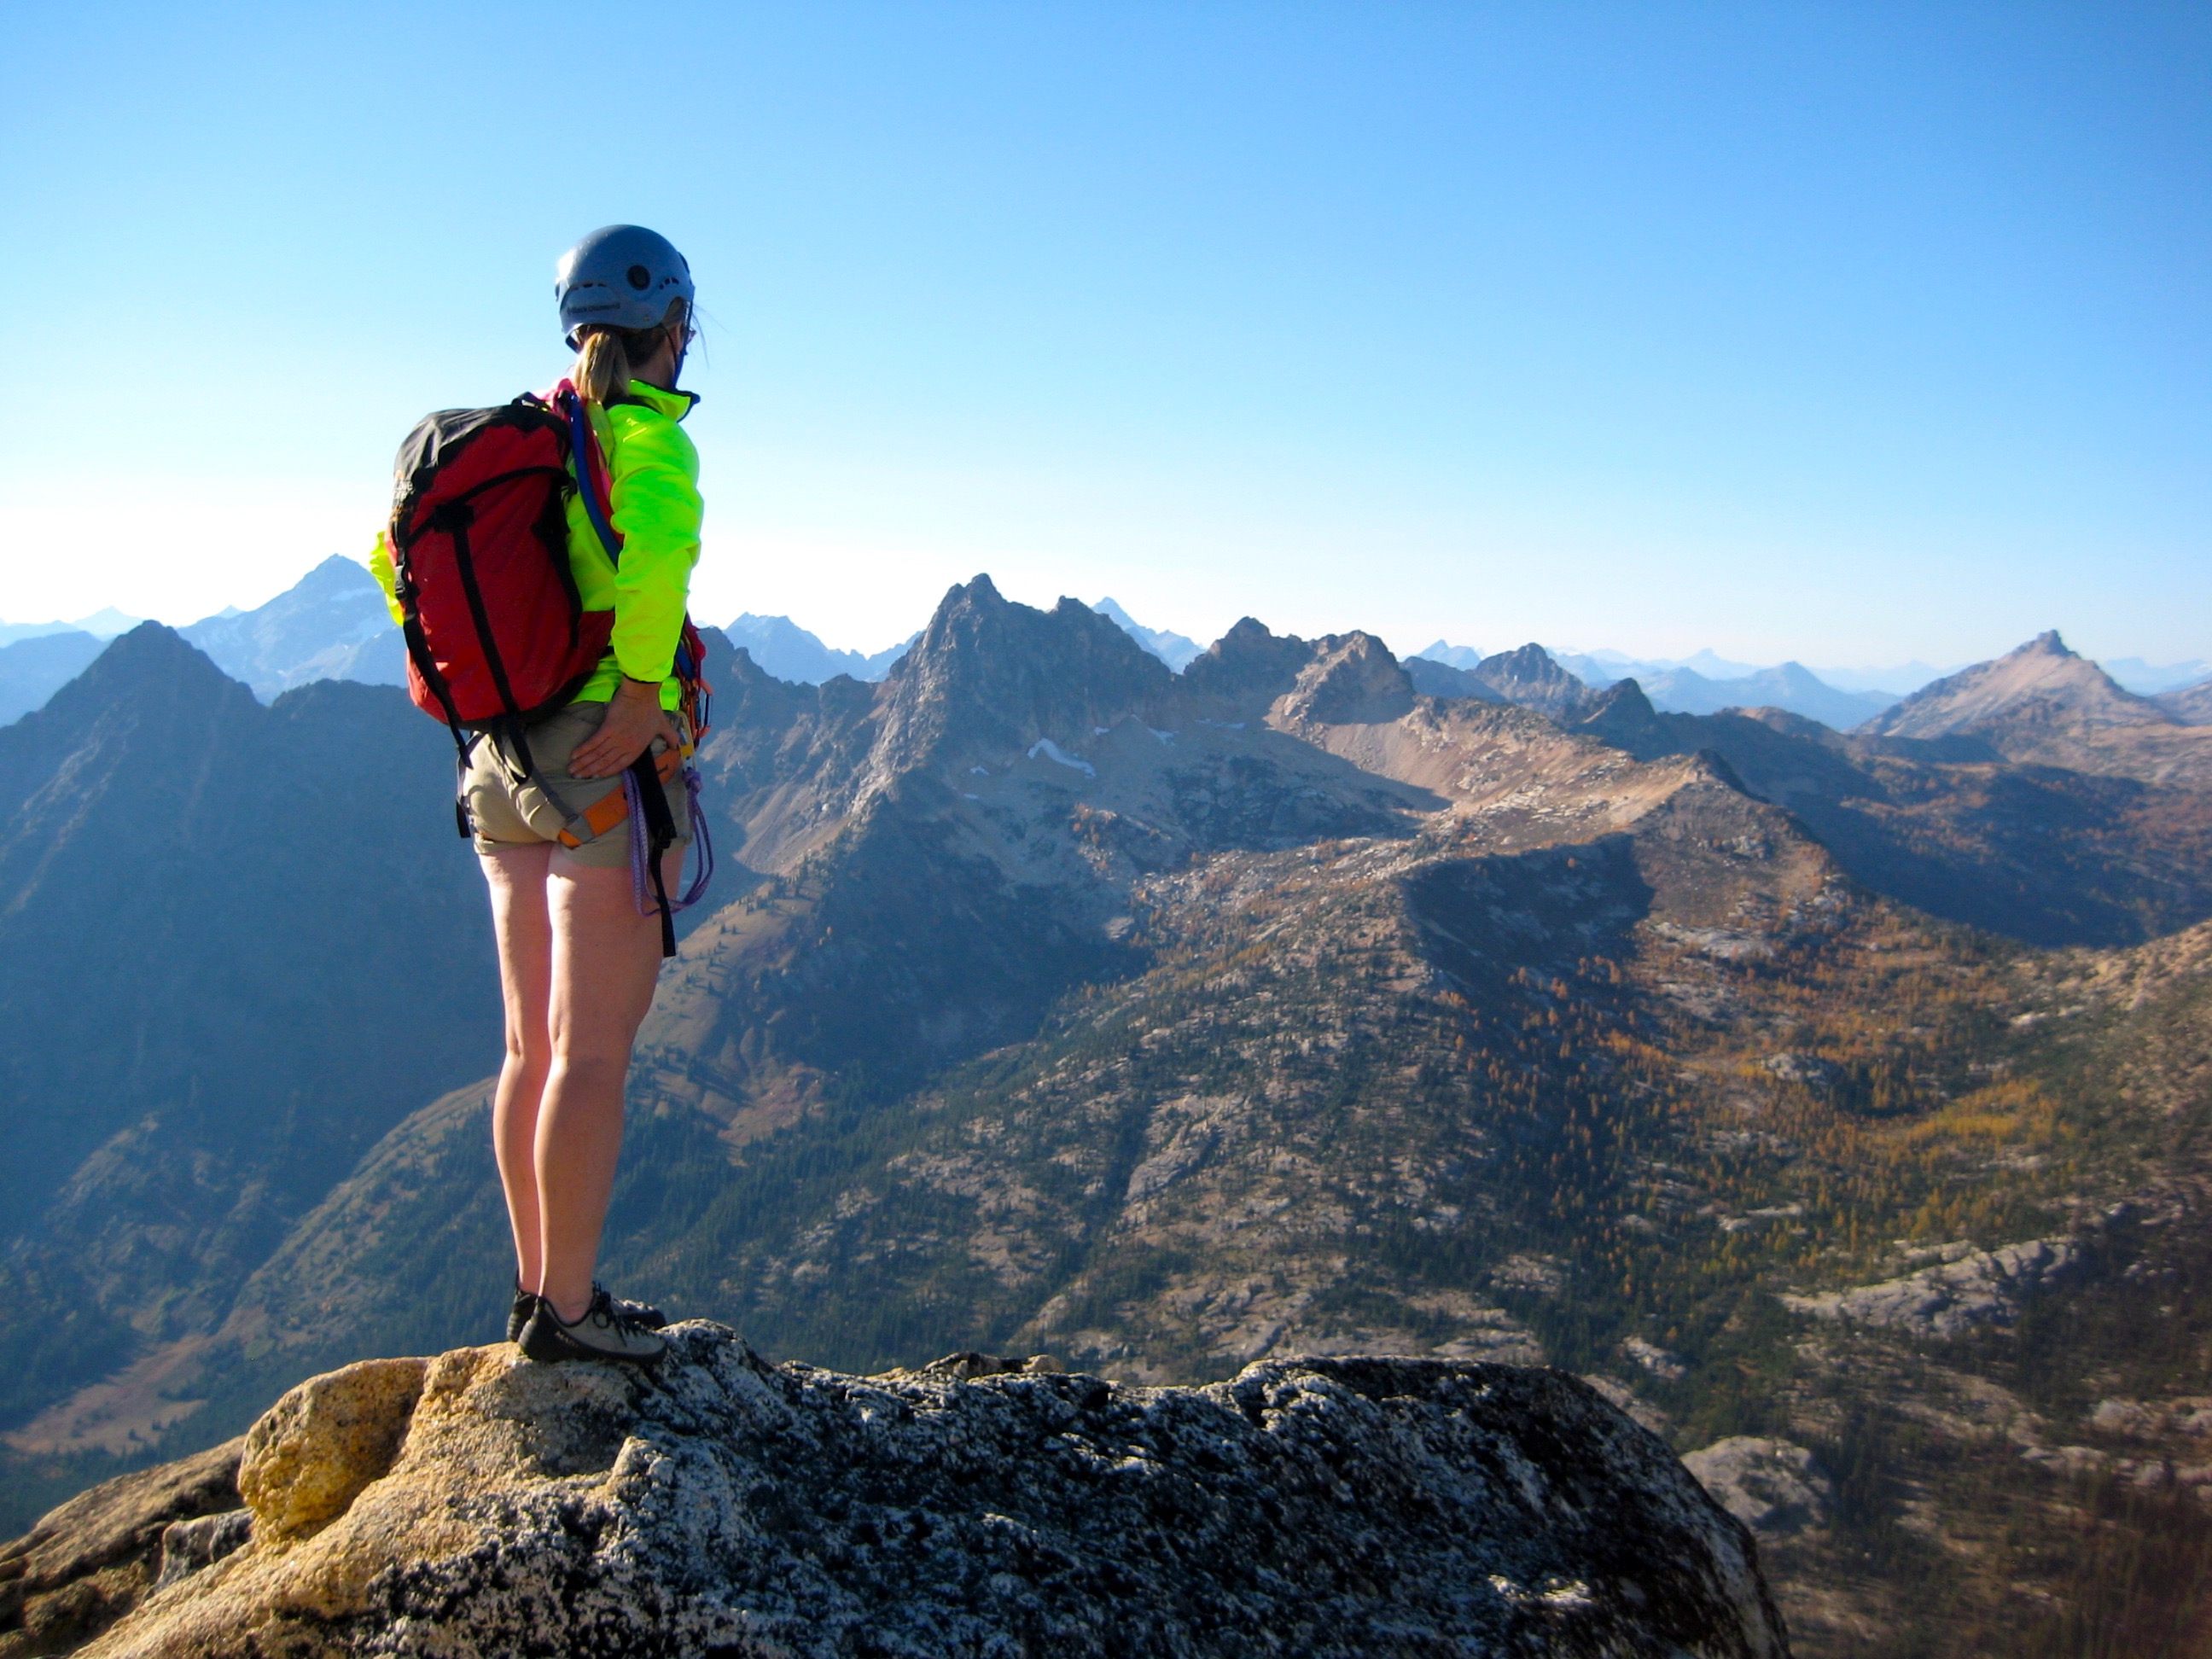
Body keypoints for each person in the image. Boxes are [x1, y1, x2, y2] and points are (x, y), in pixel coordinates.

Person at [370, 224, 706, 1364]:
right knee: (592, 1055)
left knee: (528, 1048)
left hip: (494, 763)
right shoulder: (639, 440)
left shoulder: (524, 434)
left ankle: (535, 1293)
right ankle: (569, 1319)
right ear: (673, 330)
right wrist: (640, 692)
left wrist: (491, 686)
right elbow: (658, 560)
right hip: (598, 759)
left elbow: (392, 562)